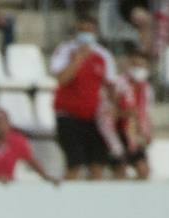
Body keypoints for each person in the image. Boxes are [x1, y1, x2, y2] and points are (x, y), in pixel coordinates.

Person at [50, 9, 116, 180]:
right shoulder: (65, 51)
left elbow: (110, 87)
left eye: (89, 30)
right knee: (75, 163)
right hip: (69, 115)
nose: (86, 34)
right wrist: (79, 60)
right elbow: (61, 79)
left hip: (93, 117)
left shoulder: (104, 56)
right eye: (82, 30)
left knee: (97, 164)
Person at [0, 105, 57, 183]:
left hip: (7, 184)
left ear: (8, 123)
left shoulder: (18, 140)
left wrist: (47, 177)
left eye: (0, 121)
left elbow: (32, 161)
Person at [111, 49, 153, 179]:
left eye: (142, 65)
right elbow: (109, 112)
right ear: (129, 65)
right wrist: (125, 113)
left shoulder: (147, 89)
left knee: (143, 170)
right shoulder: (118, 84)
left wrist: (148, 132)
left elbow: (146, 113)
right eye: (135, 64)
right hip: (118, 132)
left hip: (134, 134)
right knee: (120, 169)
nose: (138, 68)